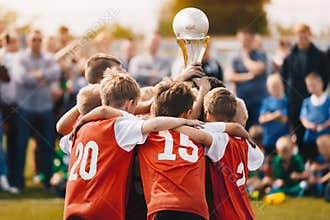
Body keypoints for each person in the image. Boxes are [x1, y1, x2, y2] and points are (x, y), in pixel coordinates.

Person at [63, 72, 203, 220]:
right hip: (101, 209)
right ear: (130, 104)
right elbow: (153, 124)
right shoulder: (120, 125)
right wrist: (185, 122)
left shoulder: (79, 131)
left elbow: (62, 131)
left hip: (73, 208)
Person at [173, 88, 264, 220]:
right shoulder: (244, 143)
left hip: (226, 214)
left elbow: (199, 133)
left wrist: (176, 125)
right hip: (246, 213)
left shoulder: (220, 140)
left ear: (207, 114)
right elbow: (258, 160)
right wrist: (236, 127)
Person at [12, 29, 61, 191]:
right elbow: (21, 78)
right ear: (28, 41)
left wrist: (37, 75)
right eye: (34, 40)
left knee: (47, 145)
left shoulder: (48, 58)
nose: (37, 43)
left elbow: (56, 73)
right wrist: (41, 77)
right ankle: (18, 182)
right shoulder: (21, 58)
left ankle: (47, 182)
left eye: (39, 40)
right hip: (25, 108)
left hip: (45, 108)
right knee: (21, 145)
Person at [281, 24, 329, 157]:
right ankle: (304, 166)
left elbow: (325, 76)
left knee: (318, 135)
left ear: (309, 35)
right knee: (300, 136)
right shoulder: (290, 57)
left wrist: (316, 95)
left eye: (305, 35)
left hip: (316, 104)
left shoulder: (320, 55)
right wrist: (290, 94)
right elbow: (284, 77)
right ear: (295, 37)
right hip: (295, 102)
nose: (302, 39)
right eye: (299, 36)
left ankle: (319, 167)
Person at [225, 27, 268, 129]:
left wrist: (245, 57)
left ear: (253, 39)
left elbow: (258, 69)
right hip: (241, 101)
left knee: (258, 132)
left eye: (247, 40)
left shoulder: (261, 54)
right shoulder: (234, 56)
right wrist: (248, 76)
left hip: (259, 101)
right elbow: (229, 76)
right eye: (242, 40)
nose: (244, 43)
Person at [300, 72, 330, 160]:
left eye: (314, 84)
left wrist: (323, 126)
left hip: (325, 137)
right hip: (311, 138)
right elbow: (303, 118)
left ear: (321, 83)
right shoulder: (306, 102)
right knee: (312, 158)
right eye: (309, 85)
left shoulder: (328, 100)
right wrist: (309, 125)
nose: (312, 87)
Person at [259, 74, 289, 155]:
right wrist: (276, 115)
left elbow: (284, 119)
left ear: (282, 86)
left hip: (282, 140)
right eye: (272, 86)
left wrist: (269, 116)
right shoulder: (266, 102)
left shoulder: (286, 102)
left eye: (277, 86)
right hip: (268, 140)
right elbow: (262, 119)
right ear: (268, 88)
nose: (275, 89)